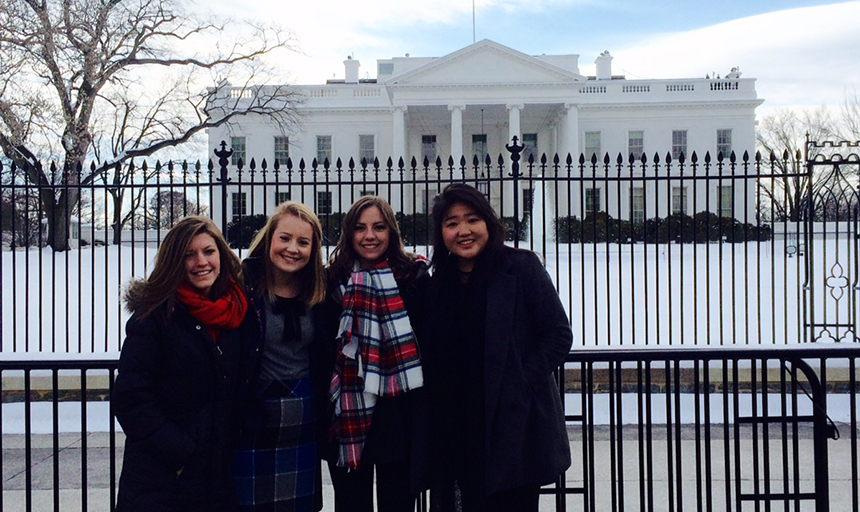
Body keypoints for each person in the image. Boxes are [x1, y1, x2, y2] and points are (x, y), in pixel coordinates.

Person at [423, 183, 572, 512]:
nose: (464, 231)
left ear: (488, 223)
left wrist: (519, 382)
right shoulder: (438, 282)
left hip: (511, 430)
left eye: (472, 219)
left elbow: (558, 334)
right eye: (451, 223)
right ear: (441, 232)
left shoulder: (520, 268)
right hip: (455, 430)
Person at [114, 215, 255, 512]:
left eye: (208, 251)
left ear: (221, 255)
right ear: (174, 262)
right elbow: (131, 399)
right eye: (188, 255)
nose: (200, 262)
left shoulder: (237, 313)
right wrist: (181, 455)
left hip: (219, 475)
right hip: (164, 480)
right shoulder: (154, 317)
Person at [324, 195, 430, 512]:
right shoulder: (331, 281)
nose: (370, 236)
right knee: (351, 504)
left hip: (398, 413)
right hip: (348, 413)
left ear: (391, 232)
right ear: (349, 233)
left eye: (379, 227)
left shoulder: (414, 279)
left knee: (397, 504)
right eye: (360, 228)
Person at [232, 201, 328, 512]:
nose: (292, 249)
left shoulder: (320, 291)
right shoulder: (241, 286)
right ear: (270, 238)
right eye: (284, 238)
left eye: (303, 242)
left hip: (303, 418)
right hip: (253, 416)